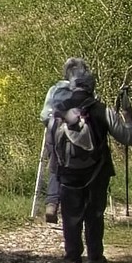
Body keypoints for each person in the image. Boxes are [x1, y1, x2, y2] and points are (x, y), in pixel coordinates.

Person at [39, 68, 121, 263]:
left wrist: (57, 166)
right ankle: (94, 260)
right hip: (97, 171)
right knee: (94, 214)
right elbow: (126, 137)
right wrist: (128, 119)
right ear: (92, 88)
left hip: (68, 172)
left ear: (72, 86)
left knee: (70, 217)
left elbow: (51, 142)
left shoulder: (59, 111)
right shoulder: (101, 109)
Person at [34, 56, 91, 214]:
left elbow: (45, 116)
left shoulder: (54, 90)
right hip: (79, 139)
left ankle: (52, 203)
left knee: (55, 163)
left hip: (55, 134)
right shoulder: (86, 92)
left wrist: (57, 122)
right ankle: (79, 204)